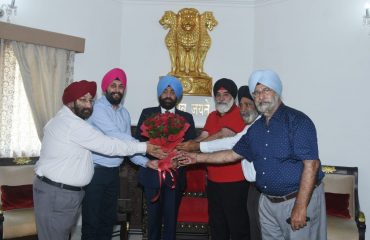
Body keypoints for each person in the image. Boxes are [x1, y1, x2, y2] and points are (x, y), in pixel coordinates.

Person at [177, 69, 326, 240]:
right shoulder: (256, 129)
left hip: (296, 199)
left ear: (277, 91)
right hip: (268, 203)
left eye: (266, 90)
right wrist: (196, 158)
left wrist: (300, 207)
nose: (261, 97)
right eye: (257, 93)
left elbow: (311, 165)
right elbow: (232, 154)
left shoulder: (298, 121)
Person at [33, 80, 166, 240]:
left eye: (90, 100)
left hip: (61, 193)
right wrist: (145, 147)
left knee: (102, 223)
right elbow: (108, 145)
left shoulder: (65, 120)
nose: (88, 105)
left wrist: (144, 160)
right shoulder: (72, 125)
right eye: (83, 100)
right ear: (70, 102)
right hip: (58, 194)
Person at [81, 68, 158, 239]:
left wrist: (146, 162)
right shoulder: (97, 108)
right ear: (105, 88)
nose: (117, 90)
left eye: (121, 86)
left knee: (107, 222)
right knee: (91, 222)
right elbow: (114, 134)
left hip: (113, 174)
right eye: (113, 85)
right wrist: (145, 146)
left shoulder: (124, 113)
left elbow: (127, 147)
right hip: (95, 172)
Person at [177, 85, 261, 240]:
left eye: (226, 94)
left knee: (237, 226)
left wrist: (194, 149)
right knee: (217, 225)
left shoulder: (241, 114)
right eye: (218, 94)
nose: (221, 98)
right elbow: (203, 136)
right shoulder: (212, 116)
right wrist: (185, 147)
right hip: (213, 182)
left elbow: (224, 137)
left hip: (235, 183)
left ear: (233, 97)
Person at [135, 75, 196, 240]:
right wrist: (154, 153)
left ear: (177, 96)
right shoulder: (147, 113)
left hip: (175, 176)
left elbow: (191, 148)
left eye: (172, 92)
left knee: (171, 221)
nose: (168, 95)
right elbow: (138, 143)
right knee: (152, 221)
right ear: (159, 94)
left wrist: (176, 158)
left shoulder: (187, 118)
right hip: (152, 175)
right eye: (165, 91)